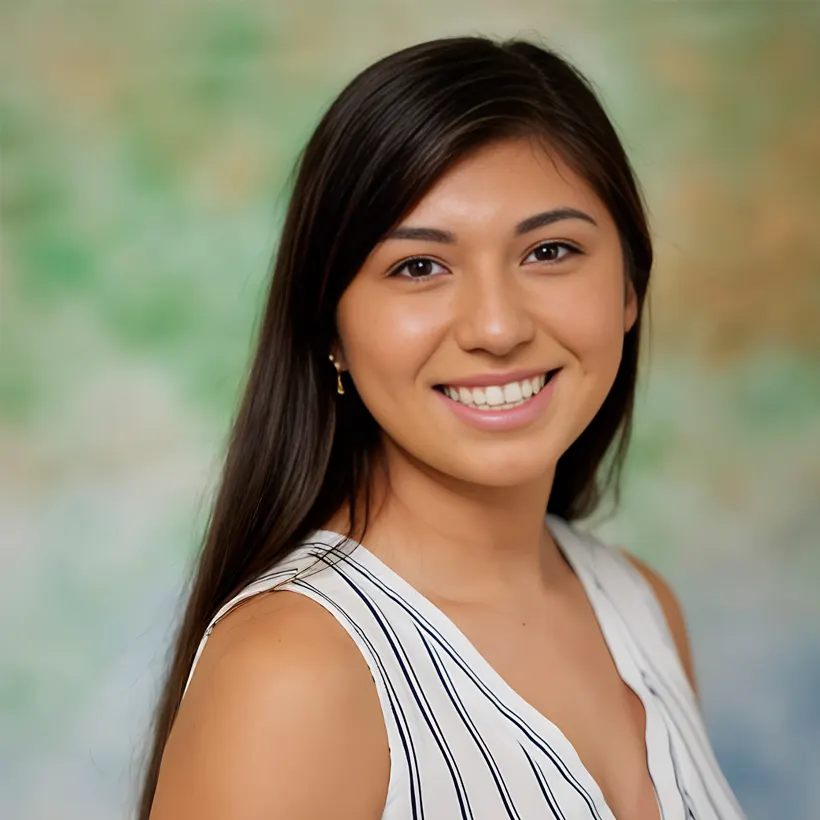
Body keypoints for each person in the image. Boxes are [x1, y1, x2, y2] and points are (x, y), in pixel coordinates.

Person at [139, 35, 747, 820]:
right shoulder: (293, 670)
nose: (497, 327)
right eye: (419, 267)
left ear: (629, 288)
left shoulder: (643, 607)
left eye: (550, 251)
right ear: (329, 329)